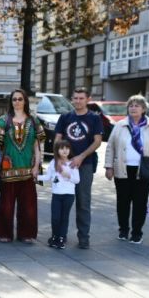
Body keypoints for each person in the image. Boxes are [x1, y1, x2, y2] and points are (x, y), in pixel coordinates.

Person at [104, 94, 149, 244]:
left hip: (143, 171)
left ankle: (137, 232)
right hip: (122, 169)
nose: (133, 108)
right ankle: (123, 230)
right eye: (131, 105)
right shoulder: (120, 125)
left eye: (137, 105)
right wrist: (109, 166)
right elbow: (110, 146)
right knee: (123, 202)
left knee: (140, 202)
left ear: (144, 109)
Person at [0, 88, 45, 243]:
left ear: (25, 101)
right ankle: (5, 233)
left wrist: (36, 166)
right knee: (6, 205)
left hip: (28, 170)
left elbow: (37, 146)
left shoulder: (33, 121)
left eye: (20, 99)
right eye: (14, 99)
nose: (17, 102)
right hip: (8, 171)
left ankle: (26, 234)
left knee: (28, 205)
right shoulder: (4, 120)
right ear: (11, 102)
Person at [54, 87, 103, 249]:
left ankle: (83, 237)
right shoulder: (65, 117)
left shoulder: (94, 118)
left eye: (81, 98)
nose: (78, 101)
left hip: (85, 165)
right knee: (63, 201)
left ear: (88, 99)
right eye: (75, 98)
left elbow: (97, 141)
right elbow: (58, 138)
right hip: (65, 164)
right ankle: (61, 235)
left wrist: (81, 156)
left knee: (83, 202)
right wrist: (58, 159)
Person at [38, 138, 80, 249]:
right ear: (57, 150)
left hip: (69, 195)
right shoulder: (53, 163)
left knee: (64, 217)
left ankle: (61, 237)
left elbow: (77, 180)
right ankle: (55, 236)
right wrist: (36, 177)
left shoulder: (72, 163)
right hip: (57, 194)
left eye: (67, 148)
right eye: (62, 149)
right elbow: (48, 177)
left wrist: (68, 175)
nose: (65, 151)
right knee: (55, 217)